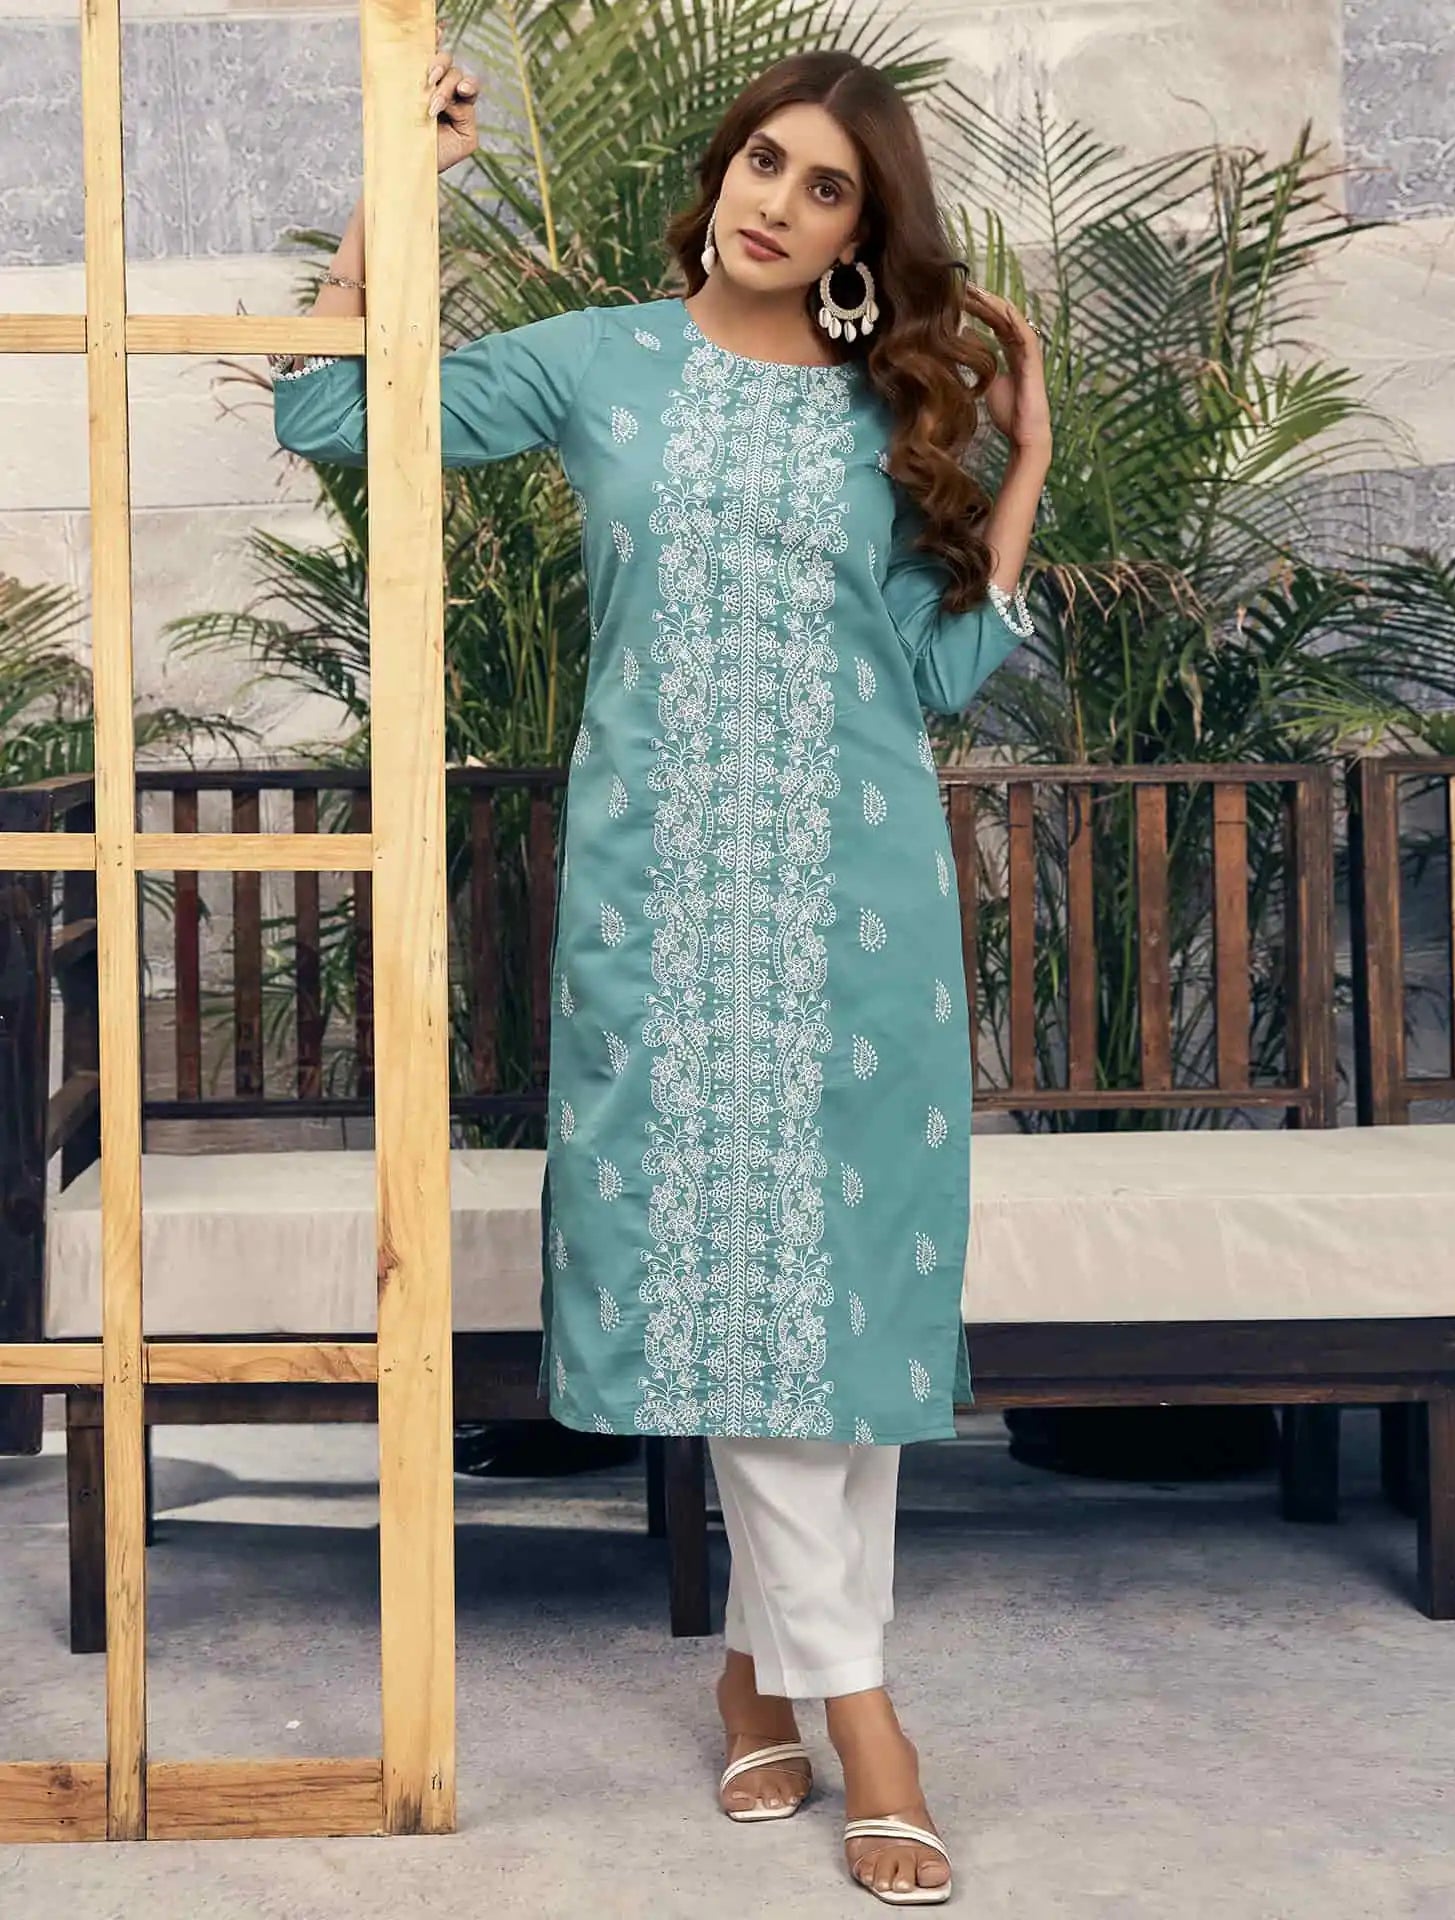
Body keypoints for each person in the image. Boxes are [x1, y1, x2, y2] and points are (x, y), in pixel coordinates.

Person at [271, 38, 1051, 1906]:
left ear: (861, 233)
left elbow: (936, 677)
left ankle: (761, 1682)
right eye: (764, 164)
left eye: (827, 188)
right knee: (742, 1297)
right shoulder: (595, 363)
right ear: (720, 173)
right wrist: (403, 185)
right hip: (668, 911)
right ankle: (869, 1722)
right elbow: (330, 415)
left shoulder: (880, 412)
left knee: (847, 1314)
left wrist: (1023, 457)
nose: (779, 205)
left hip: (859, 907)